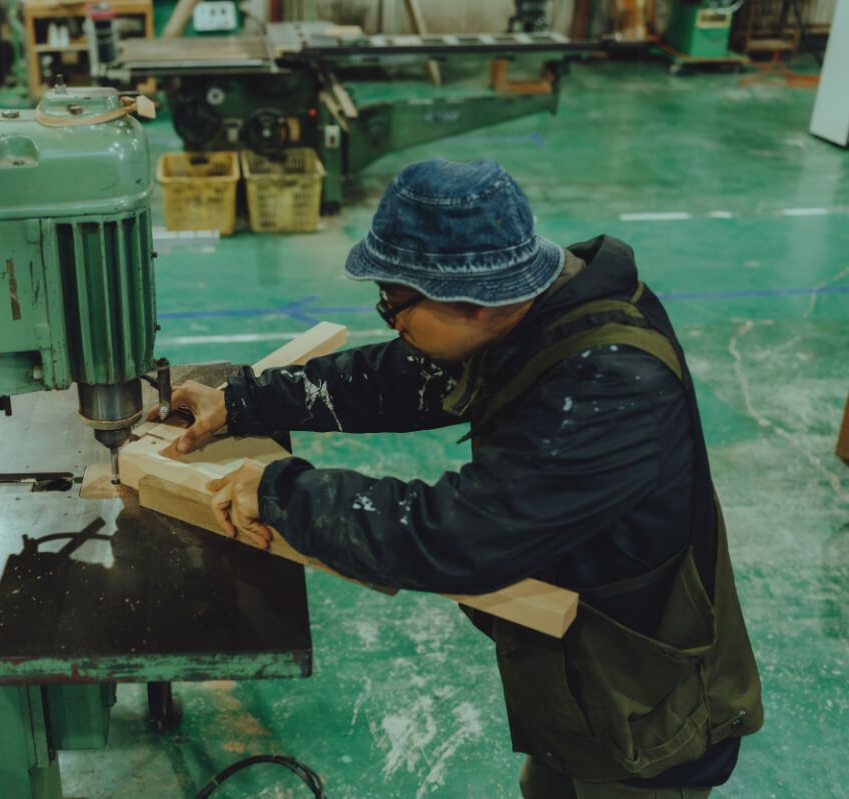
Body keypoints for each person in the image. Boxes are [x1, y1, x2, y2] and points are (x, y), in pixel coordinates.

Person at [162, 159, 763, 797]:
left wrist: (282, 492)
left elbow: (458, 537)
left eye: (395, 305)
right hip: (577, 674)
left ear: (471, 300)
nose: (391, 322)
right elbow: (403, 378)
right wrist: (246, 401)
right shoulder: (527, 312)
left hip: (645, 707)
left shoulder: (609, 387)